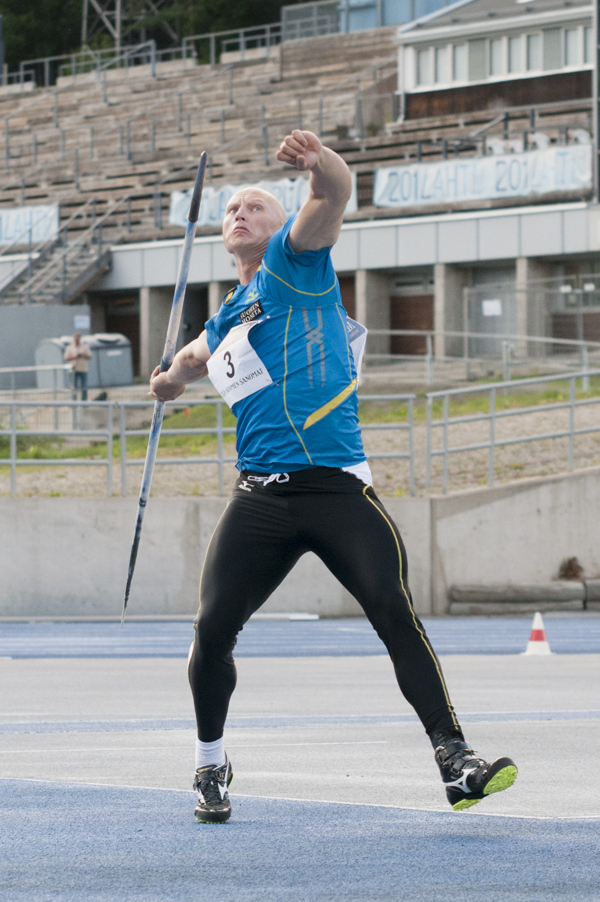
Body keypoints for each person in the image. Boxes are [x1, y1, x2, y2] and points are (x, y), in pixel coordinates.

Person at [149, 129, 518, 824]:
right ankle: (209, 764)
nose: (239, 215)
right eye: (230, 211)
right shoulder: (231, 312)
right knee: (212, 630)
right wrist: (167, 382)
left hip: (336, 488)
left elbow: (335, 194)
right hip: (259, 497)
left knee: (392, 608)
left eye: (253, 206)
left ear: (278, 220)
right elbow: (194, 361)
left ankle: (455, 759)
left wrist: (323, 164)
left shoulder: (296, 259)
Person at [64, 332, 92, 401]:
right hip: (73, 370)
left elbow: (89, 356)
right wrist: (75, 356)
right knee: (74, 387)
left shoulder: (85, 346)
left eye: (78, 339)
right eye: (75, 339)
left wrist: (82, 354)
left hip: (83, 369)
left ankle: (84, 401)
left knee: (84, 387)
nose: (77, 340)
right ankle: (74, 401)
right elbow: (66, 358)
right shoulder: (70, 347)